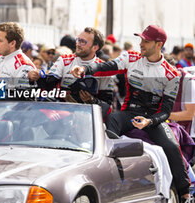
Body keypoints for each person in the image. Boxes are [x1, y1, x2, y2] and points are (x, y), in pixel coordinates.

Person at [70, 25, 192, 202]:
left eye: (146, 41)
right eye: (140, 39)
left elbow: (166, 111)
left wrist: (149, 122)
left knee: (172, 147)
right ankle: (105, 175)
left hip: (152, 119)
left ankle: (185, 194)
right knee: (111, 121)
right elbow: (106, 67)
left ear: (159, 44)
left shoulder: (171, 73)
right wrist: (85, 70)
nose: (141, 43)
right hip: (129, 113)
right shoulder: (131, 56)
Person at [28, 27, 113, 112]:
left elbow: (108, 106)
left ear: (95, 47)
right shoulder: (64, 60)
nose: (78, 44)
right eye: (78, 40)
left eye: (83, 41)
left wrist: (91, 100)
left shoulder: (104, 69)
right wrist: (36, 75)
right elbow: (48, 84)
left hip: (88, 119)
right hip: (63, 116)